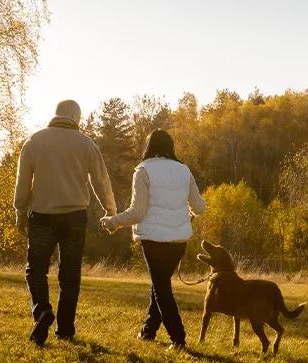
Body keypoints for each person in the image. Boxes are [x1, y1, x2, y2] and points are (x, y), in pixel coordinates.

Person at [14, 99, 116, 346]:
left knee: (35, 269)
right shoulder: (86, 144)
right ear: (76, 118)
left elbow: (23, 179)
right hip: (75, 217)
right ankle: (66, 329)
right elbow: (101, 181)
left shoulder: (35, 140)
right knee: (70, 274)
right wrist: (110, 210)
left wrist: (19, 211)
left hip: (42, 216)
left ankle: (42, 311)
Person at [102, 129, 206, 349]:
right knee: (160, 285)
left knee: (161, 289)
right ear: (170, 147)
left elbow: (137, 212)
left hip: (153, 240)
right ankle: (148, 331)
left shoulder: (143, 170)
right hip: (179, 241)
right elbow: (199, 207)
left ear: (148, 146)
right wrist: (184, 212)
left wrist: (113, 221)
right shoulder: (184, 170)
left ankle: (178, 339)